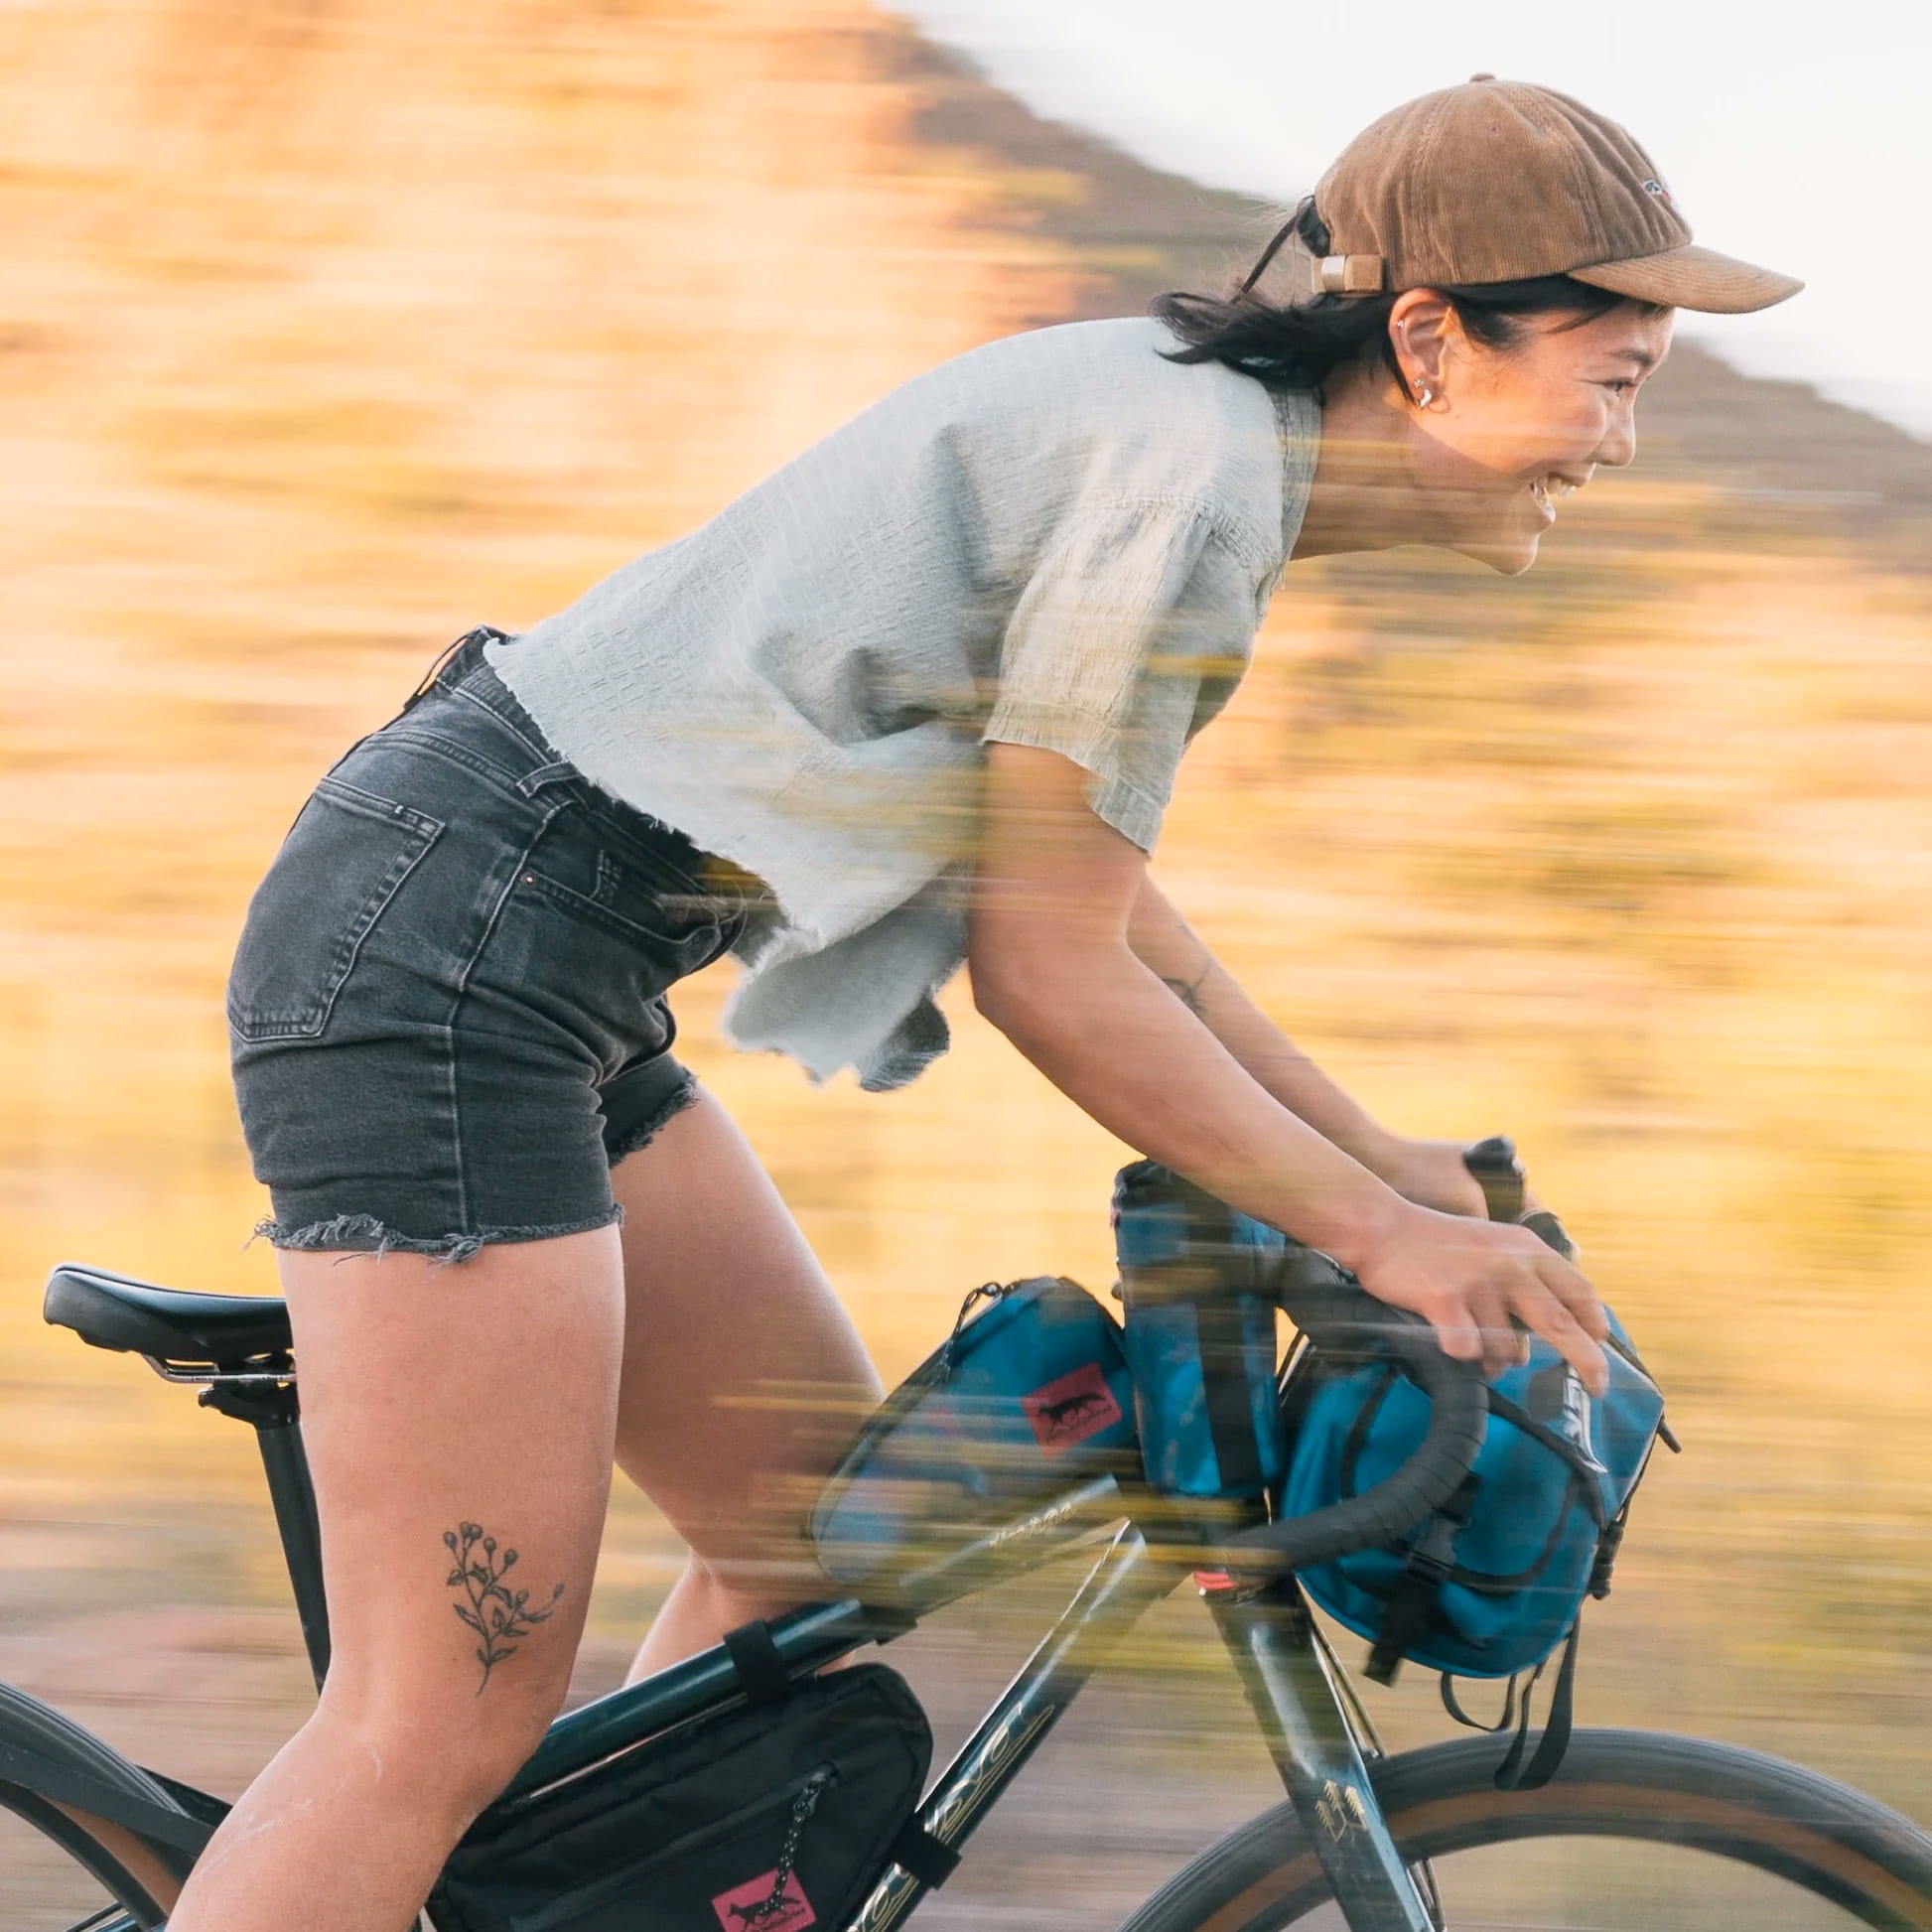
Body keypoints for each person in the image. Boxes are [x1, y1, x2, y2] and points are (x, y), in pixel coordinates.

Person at [178, 75, 1798, 1932]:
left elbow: (1099, 905)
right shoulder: (1187, 488)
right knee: (441, 1709)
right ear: (1429, 342)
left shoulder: (1189, 445)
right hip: (458, 956)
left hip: (525, 960)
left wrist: (1377, 1159)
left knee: (802, 1548)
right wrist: (1379, 1234)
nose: (1620, 440)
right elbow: (1050, 971)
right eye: (1613, 377)